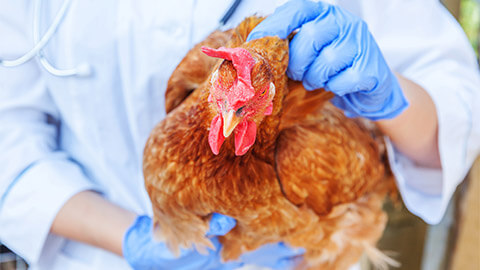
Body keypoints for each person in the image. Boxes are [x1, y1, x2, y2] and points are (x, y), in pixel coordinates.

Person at [0, 0, 479, 269]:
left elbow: (456, 112)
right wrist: (129, 239)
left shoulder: (305, 158)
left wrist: (392, 98)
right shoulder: (184, 97)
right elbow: (8, 132)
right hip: (97, 256)